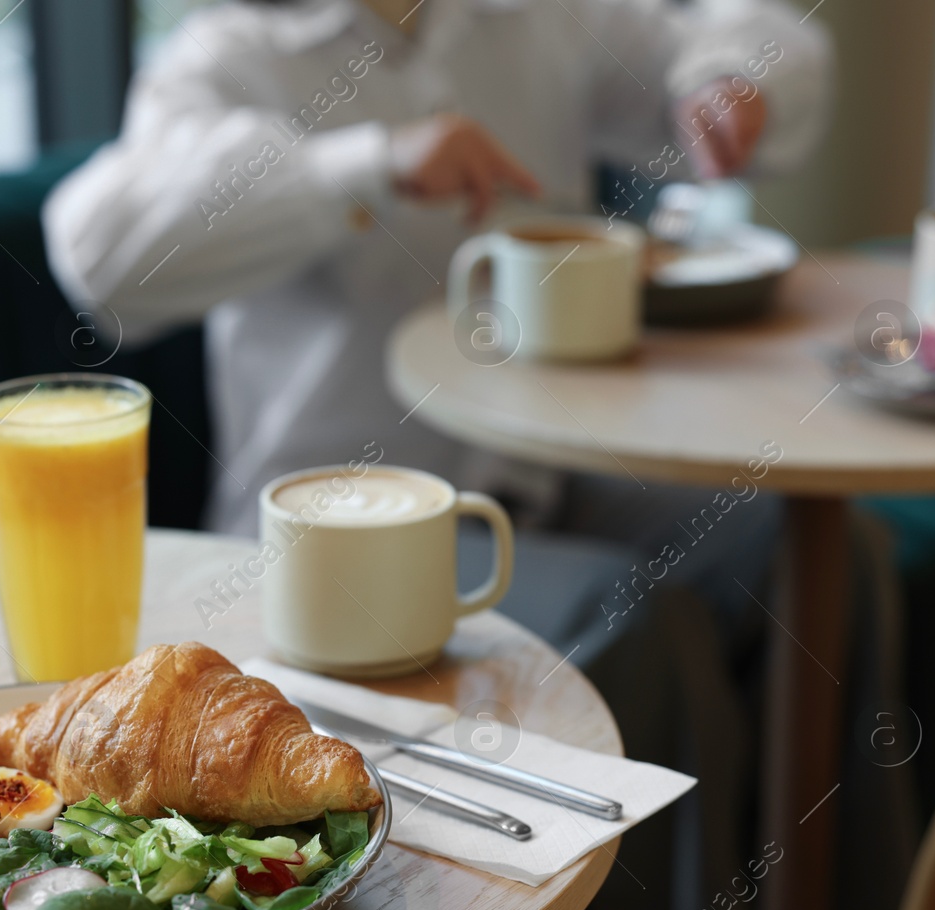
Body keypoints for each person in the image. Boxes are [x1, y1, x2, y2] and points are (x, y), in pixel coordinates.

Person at [44, 0, 831, 549]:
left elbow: (732, 38)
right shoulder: (230, 55)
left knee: (794, 542)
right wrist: (373, 164)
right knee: (633, 620)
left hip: (547, 487)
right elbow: (106, 263)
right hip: (344, 529)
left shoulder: (542, 17)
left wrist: (727, 77)